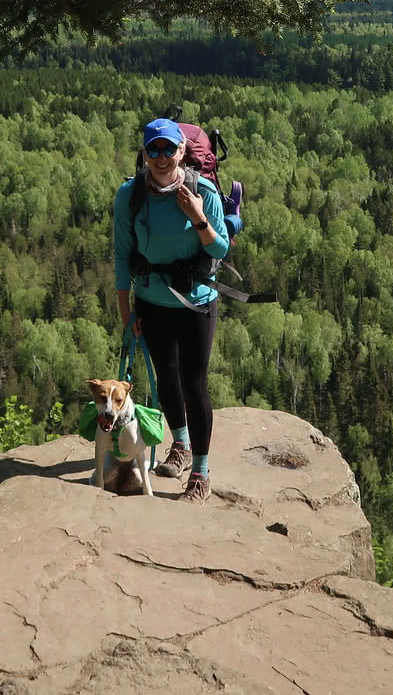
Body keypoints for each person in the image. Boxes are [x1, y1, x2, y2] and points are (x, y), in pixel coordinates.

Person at [113, 118, 230, 503]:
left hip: (196, 303)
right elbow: (121, 256)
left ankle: (200, 472)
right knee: (166, 376)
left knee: (194, 383)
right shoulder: (130, 196)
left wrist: (198, 216)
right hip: (152, 300)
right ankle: (178, 444)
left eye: (169, 149)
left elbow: (219, 250)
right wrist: (125, 312)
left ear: (182, 152)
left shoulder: (204, 191)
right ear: (144, 154)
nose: (162, 158)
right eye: (154, 150)